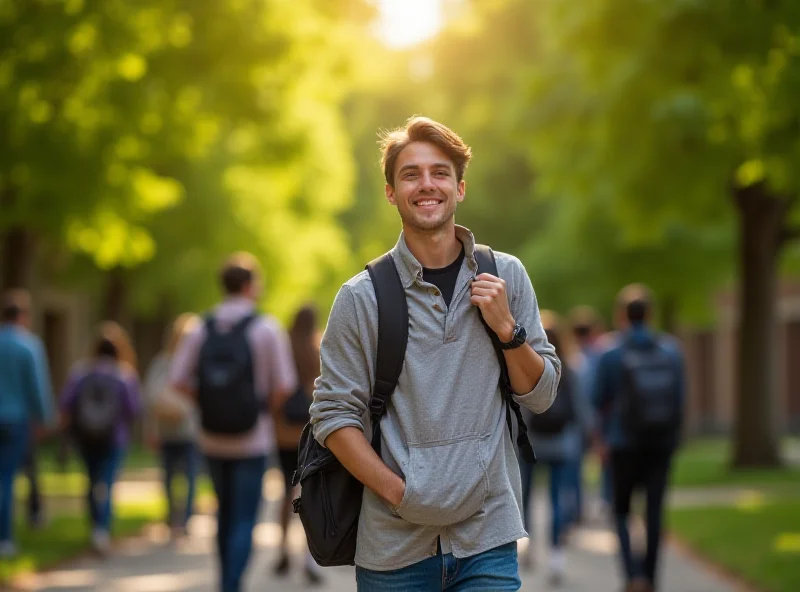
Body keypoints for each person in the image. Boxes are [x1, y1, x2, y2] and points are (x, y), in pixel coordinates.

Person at [309, 116, 561, 591]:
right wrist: (399, 494)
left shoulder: (506, 275)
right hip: (394, 550)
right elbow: (332, 415)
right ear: (391, 193)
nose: (427, 184)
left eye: (440, 172)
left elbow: (542, 394)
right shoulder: (360, 298)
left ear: (460, 188)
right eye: (411, 174)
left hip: (488, 538)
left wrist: (507, 329)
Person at [170, 252, 296, 592]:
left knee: (223, 514)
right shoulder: (266, 328)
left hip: (210, 437)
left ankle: (226, 582)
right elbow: (284, 386)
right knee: (244, 517)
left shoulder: (200, 327)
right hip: (252, 438)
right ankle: (231, 584)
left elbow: (177, 379)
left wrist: (206, 402)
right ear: (250, 285)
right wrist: (261, 406)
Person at [592, 285, 686, 592]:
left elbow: (597, 399)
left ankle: (633, 576)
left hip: (623, 444)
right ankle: (652, 577)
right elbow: (681, 399)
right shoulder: (671, 350)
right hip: (660, 443)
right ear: (650, 314)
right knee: (655, 511)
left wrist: (601, 440)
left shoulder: (610, 353)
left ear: (622, 315)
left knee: (621, 510)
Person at [519, 310, 593, 585]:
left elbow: (521, 407)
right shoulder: (569, 368)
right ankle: (556, 557)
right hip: (562, 444)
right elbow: (581, 410)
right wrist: (589, 437)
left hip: (531, 444)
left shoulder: (526, 365)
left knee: (525, 498)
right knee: (557, 499)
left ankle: (526, 548)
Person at [60, 321, 142, 555]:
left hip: (85, 437)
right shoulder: (125, 375)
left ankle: (95, 524)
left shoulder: (80, 372)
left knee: (90, 481)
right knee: (106, 482)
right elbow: (134, 409)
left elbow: (66, 403)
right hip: (113, 438)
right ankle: (102, 529)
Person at [271, 304, 324, 584]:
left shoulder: (283, 347)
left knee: (285, 491)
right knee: (309, 494)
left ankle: (282, 549)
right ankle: (309, 558)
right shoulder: (317, 349)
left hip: (283, 433)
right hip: (309, 433)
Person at [0, 290, 55, 557]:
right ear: (23, 316)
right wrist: (44, 418)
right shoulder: (28, 345)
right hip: (16, 420)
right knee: (7, 478)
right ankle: (5, 537)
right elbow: (37, 386)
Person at [144, 313, 201, 540]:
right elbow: (150, 397)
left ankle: (184, 520)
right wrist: (152, 430)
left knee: (190, 477)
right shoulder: (163, 362)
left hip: (190, 431)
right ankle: (172, 518)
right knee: (169, 477)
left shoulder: (197, 362)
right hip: (168, 430)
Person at [567, 305, 606, 521]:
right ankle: (603, 500)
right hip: (596, 418)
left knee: (576, 466)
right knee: (602, 463)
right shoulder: (599, 357)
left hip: (576, 421)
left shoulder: (571, 359)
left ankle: (577, 508)